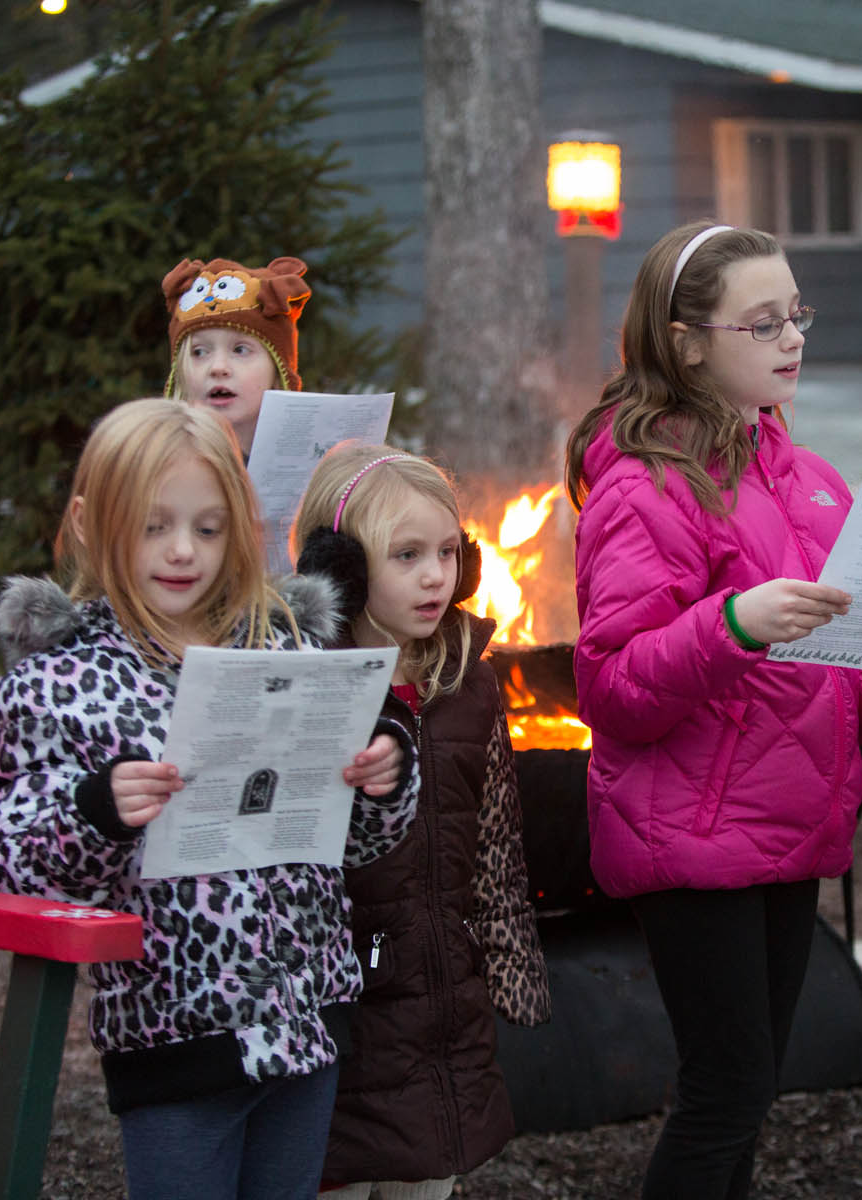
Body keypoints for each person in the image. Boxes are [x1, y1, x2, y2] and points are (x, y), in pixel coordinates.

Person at [564, 220, 862, 1199]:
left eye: (796, 313)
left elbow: (835, 667)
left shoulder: (813, 481)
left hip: (792, 824)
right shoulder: (644, 489)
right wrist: (734, 624)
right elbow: (612, 688)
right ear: (689, 340)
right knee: (727, 1092)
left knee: (748, 1092)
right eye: (762, 322)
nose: (792, 337)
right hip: (693, 835)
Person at [0, 398, 417, 1200]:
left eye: (209, 529)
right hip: (173, 1032)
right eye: (154, 526)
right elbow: (15, 865)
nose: (183, 551)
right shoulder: (58, 681)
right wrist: (97, 809)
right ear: (89, 522)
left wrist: (382, 777)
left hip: (305, 1016)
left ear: (241, 528)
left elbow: (350, 842)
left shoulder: (283, 645)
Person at [294, 445, 551, 1200]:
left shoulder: (468, 677)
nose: (437, 575)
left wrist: (502, 966)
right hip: (345, 1013)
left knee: (431, 1177)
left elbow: (495, 839)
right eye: (407, 555)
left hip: (444, 1008)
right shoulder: (305, 679)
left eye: (447, 552)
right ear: (339, 565)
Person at [162, 255, 312, 455]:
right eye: (199, 352)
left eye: (240, 350)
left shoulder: (311, 470)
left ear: (278, 371)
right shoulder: (158, 470)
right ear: (178, 374)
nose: (218, 368)